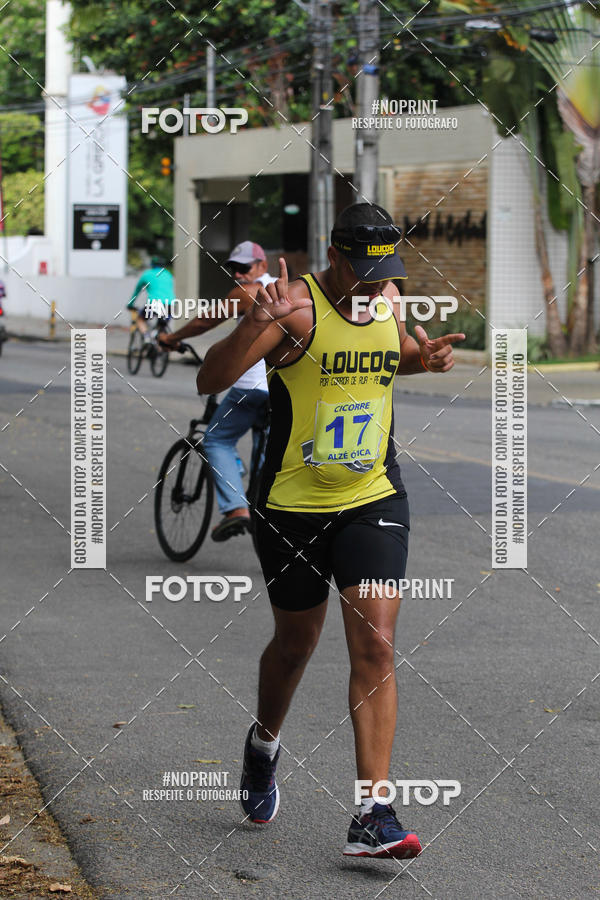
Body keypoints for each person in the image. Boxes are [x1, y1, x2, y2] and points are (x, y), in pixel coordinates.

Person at [196, 202, 465, 859]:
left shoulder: (389, 298)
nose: (376, 288)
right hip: (291, 507)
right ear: (334, 257)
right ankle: (264, 746)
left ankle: (373, 813)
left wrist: (421, 359)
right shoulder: (294, 310)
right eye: (365, 274)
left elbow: (391, 354)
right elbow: (211, 376)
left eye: (385, 276)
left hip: (372, 495)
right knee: (295, 645)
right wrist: (255, 321)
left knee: (375, 643)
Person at [160, 241, 276, 541]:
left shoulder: (248, 293)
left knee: (215, 441)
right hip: (282, 389)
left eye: (244, 268)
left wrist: (171, 338)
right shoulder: (285, 290)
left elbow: (203, 321)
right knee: (271, 452)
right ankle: (267, 505)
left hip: (251, 388)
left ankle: (236, 509)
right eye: (233, 269)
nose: (238, 275)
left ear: (262, 266)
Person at [127, 256, 175, 339]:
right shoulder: (168, 274)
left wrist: (130, 304)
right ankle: (159, 346)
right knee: (161, 327)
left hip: (154, 303)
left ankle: (147, 338)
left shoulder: (147, 274)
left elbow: (137, 292)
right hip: (170, 305)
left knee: (140, 319)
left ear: (152, 264)